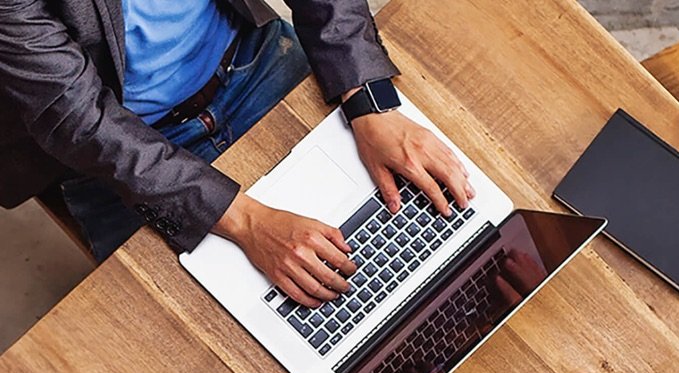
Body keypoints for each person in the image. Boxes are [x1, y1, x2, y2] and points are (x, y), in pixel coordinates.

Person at [0, 0, 474, 308]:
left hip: (250, 62)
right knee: (212, 361)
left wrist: (366, 98)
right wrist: (248, 222)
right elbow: (79, 121)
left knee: (434, 234)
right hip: (118, 155)